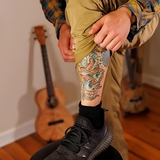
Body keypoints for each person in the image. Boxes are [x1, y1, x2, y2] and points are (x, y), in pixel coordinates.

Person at [40, 0, 160, 159]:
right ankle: (93, 122)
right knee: (106, 111)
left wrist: (128, 13)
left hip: (137, 12)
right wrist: (61, 24)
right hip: (85, 17)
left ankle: (89, 119)